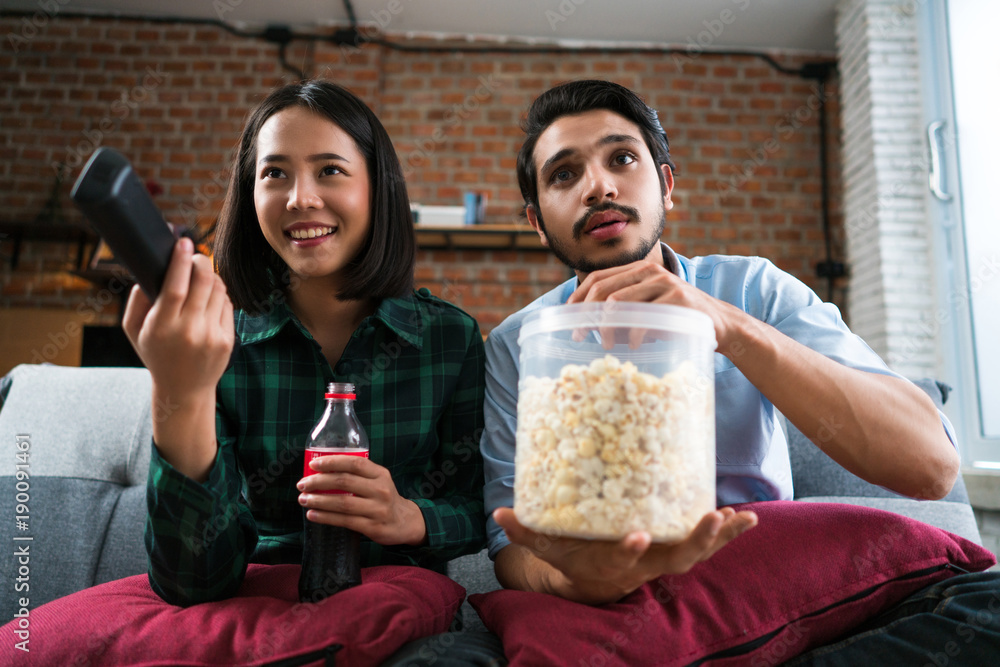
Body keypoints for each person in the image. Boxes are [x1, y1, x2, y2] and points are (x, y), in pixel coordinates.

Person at [480, 79, 999, 663]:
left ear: (667, 186)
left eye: (622, 158)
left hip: (777, 576)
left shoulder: (752, 289)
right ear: (536, 220)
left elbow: (928, 467)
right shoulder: (517, 345)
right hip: (625, 605)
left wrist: (730, 328)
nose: (598, 186)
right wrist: (579, 580)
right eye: (563, 174)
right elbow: (512, 546)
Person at [122, 80, 487, 611]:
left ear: (377, 189)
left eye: (330, 170)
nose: (300, 198)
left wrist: (407, 517)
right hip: (254, 610)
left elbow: (481, 508)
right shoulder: (219, 341)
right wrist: (180, 393)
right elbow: (192, 583)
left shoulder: (450, 339)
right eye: (274, 174)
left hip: (396, 613)